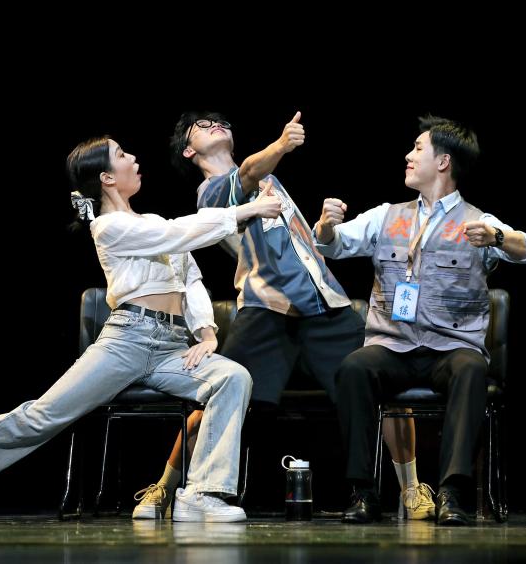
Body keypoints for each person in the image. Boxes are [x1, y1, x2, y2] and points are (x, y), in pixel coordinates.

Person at [0, 135, 283, 523]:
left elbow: (190, 278)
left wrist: (206, 330)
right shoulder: (108, 227)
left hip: (172, 346)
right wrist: (243, 211)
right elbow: (174, 233)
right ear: (106, 177)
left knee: (232, 377)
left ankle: (202, 495)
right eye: (122, 155)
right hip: (126, 340)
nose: (133, 159)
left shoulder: (153, 220)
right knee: (41, 416)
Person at [130, 111, 367, 519]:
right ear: (189, 151)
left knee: (372, 384)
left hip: (324, 305)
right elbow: (246, 174)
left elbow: (303, 245)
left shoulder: (270, 180)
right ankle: (165, 487)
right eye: (202, 126)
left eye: (219, 122)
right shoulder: (211, 194)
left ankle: (404, 488)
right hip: (265, 309)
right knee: (218, 397)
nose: (215, 126)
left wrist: (324, 227)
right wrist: (282, 144)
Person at [313, 115, 526, 525]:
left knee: (471, 369)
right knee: (354, 368)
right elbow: (334, 245)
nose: (408, 155)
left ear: (443, 162)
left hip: (450, 348)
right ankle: (363, 492)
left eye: (418, 148)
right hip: (393, 345)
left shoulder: (477, 221)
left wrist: (498, 238)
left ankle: (452, 493)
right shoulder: (386, 215)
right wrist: (326, 227)